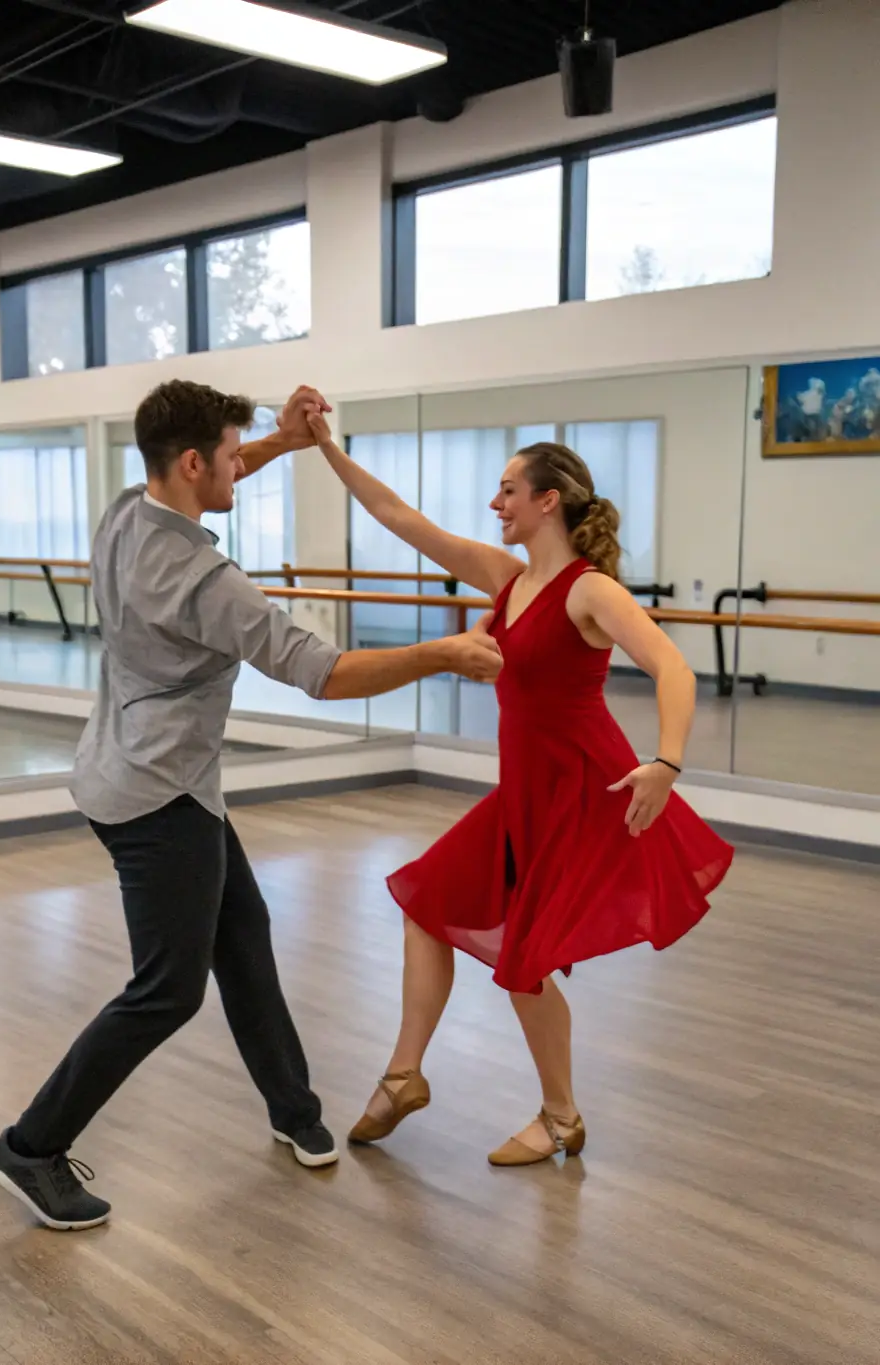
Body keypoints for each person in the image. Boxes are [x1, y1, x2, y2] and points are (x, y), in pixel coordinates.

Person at [0, 380, 503, 1231]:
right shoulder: (204, 577)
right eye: (231, 454)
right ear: (192, 463)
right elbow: (323, 673)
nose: (239, 465)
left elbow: (216, 466)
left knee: (245, 930)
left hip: (146, 773)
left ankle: (292, 1107)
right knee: (167, 990)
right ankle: (31, 1145)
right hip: (159, 799)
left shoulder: (126, 509)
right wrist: (443, 652)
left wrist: (286, 443)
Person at [309, 415, 734, 1167]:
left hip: (582, 794)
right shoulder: (509, 582)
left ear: (548, 501)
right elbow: (399, 518)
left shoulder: (588, 591)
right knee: (426, 905)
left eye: (507, 490)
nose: (494, 503)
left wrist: (665, 764)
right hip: (522, 798)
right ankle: (405, 1075)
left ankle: (561, 1116)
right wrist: (327, 448)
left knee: (523, 967)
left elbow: (674, 667)